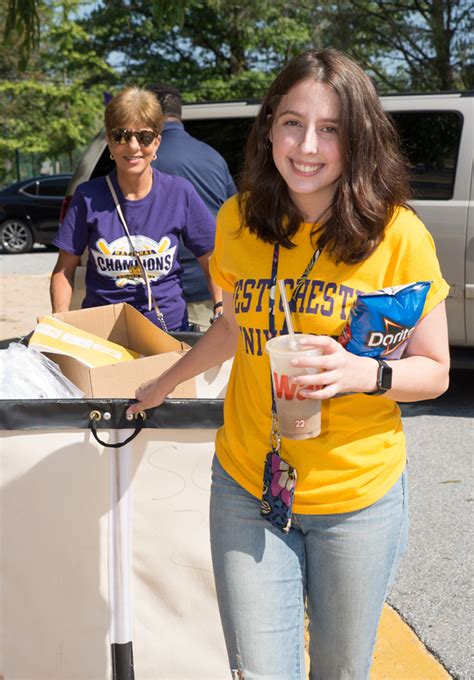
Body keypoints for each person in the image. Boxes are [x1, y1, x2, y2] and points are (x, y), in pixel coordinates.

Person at [127, 49, 450, 678]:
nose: (308, 145)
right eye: (293, 122)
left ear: (358, 139)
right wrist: (163, 381)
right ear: (270, 125)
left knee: (339, 671)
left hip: (358, 500)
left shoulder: (398, 234)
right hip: (248, 485)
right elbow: (233, 324)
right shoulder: (237, 222)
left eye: (331, 129)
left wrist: (367, 374)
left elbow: (435, 370)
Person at [50, 86, 221, 332]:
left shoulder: (180, 192)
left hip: (167, 333)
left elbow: (211, 258)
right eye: (121, 136)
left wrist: (220, 306)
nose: (133, 146)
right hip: (103, 337)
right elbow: (64, 270)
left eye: (144, 137)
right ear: (109, 142)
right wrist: (60, 320)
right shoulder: (87, 196)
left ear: (157, 142)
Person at [149, 83, 236, 328]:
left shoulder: (138, 161)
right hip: (212, 290)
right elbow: (235, 216)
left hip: (157, 294)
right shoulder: (213, 157)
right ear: (181, 113)